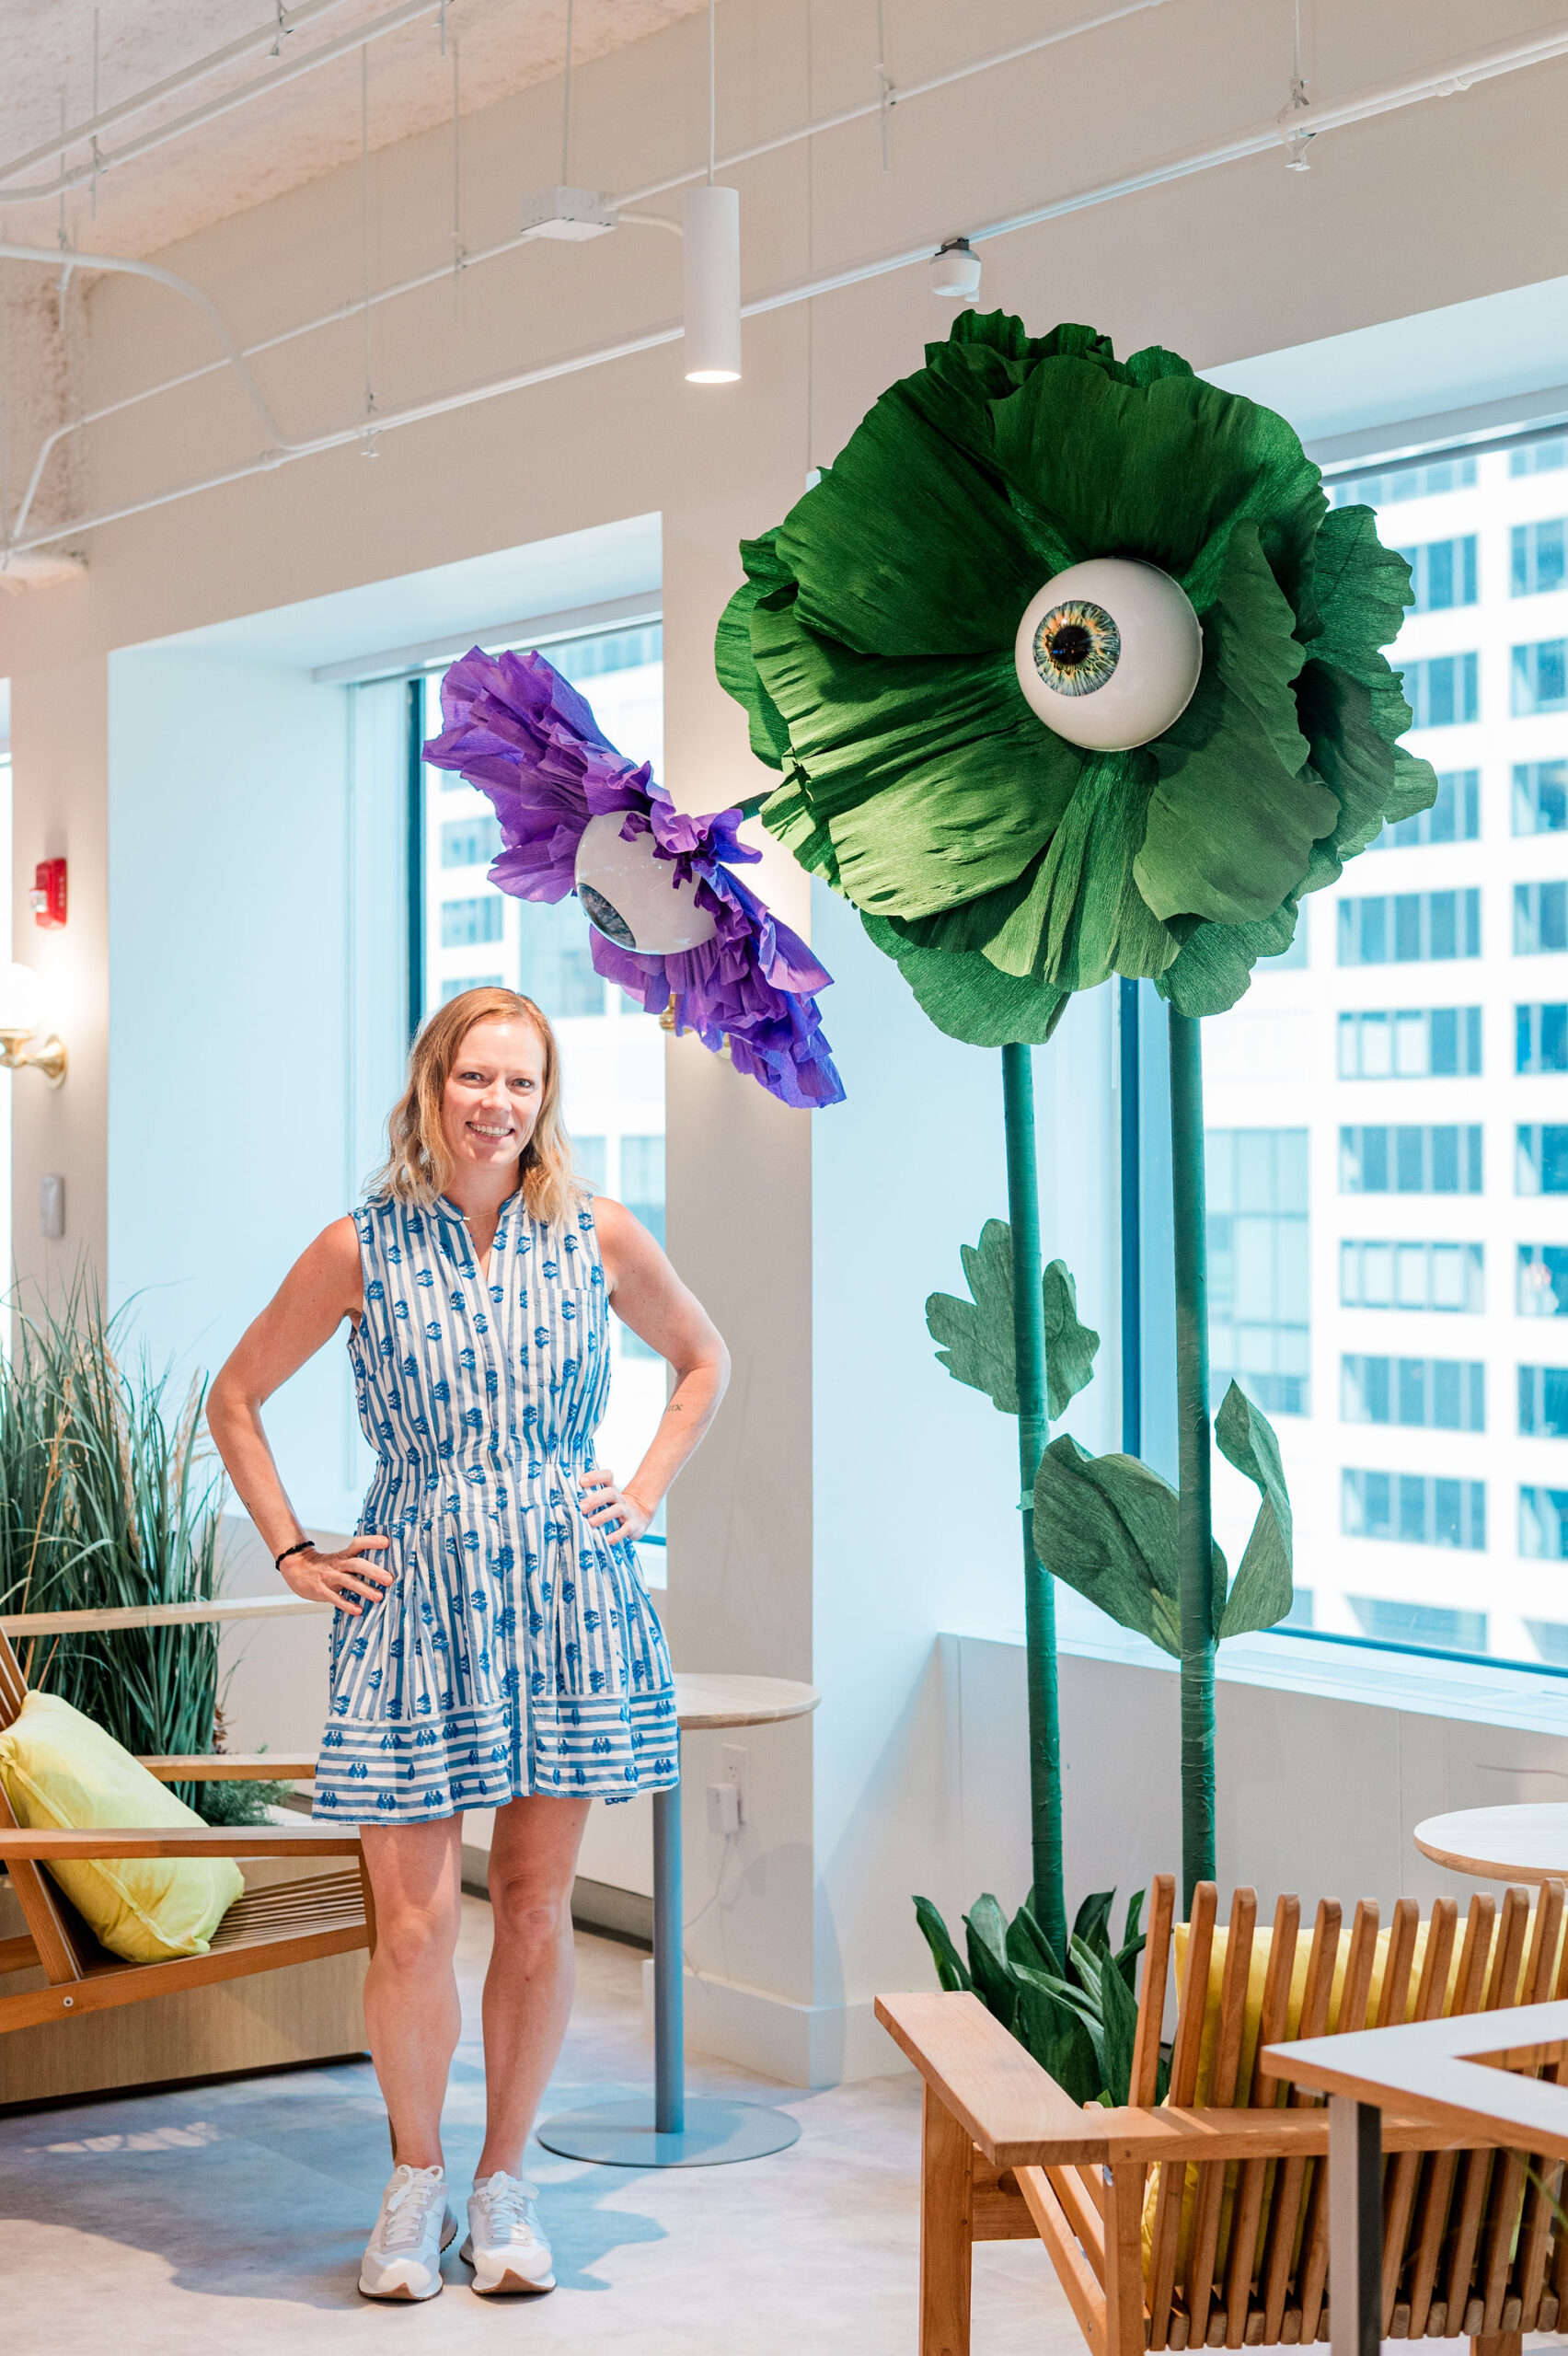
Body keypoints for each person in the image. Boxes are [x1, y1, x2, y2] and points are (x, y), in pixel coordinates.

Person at [208, 986, 728, 2301]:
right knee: (414, 1926)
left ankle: (505, 2189)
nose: (499, 1104)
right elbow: (236, 1396)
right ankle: (413, 2184)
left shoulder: (599, 1234)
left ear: (546, 1102)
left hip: (567, 1594)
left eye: (524, 1083)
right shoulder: (359, 1247)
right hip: (415, 1600)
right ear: (431, 1084)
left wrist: (643, 1492)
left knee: (541, 1910)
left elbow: (704, 1358)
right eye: (476, 1078)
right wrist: (291, 1547)